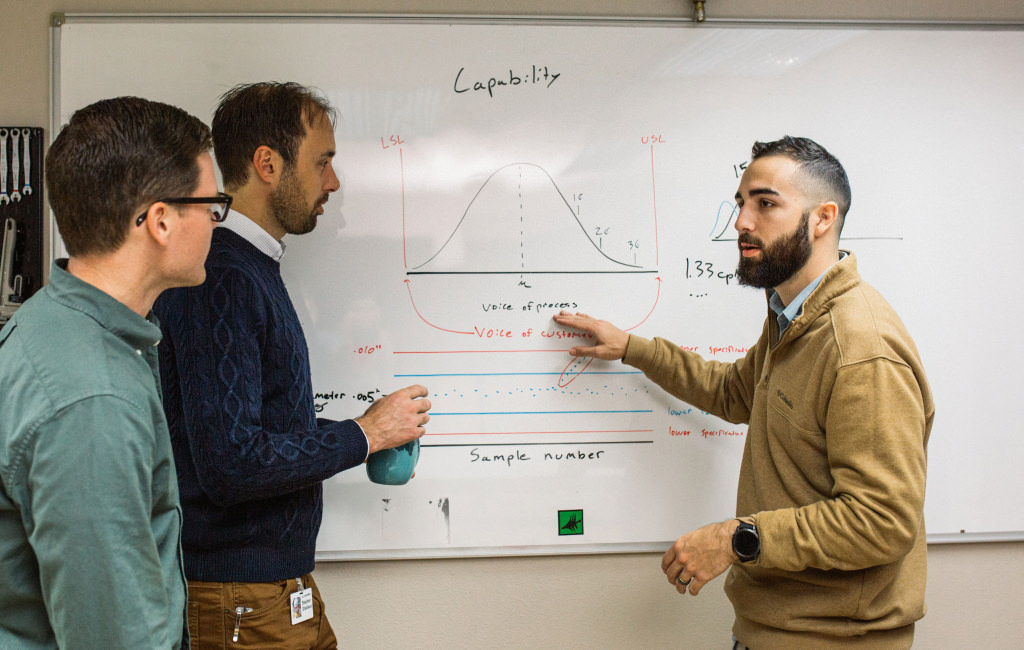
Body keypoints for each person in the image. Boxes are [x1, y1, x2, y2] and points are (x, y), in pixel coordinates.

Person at [554, 136, 933, 648]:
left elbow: (881, 521)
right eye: (741, 203)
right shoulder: (793, 318)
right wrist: (631, 348)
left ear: (822, 219)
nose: (741, 222)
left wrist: (737, 538)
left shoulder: (859, 348)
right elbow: (735, 392)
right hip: (771, 632)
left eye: (766, 203)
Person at [153, 81, 430, 649]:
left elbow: (252, 437)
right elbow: (231, 464)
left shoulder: (250, 269)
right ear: (268, 164)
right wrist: (363, 434)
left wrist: (369, 433)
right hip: (241, 601)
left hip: (275, 591)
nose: (333, 182)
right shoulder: (223, 278)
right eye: (322, 161)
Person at [0, 96, 221, 648]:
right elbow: (114, 634)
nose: (217, 223)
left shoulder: (53, 325)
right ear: (161, 220)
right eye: (212, 205)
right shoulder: (93, 397)